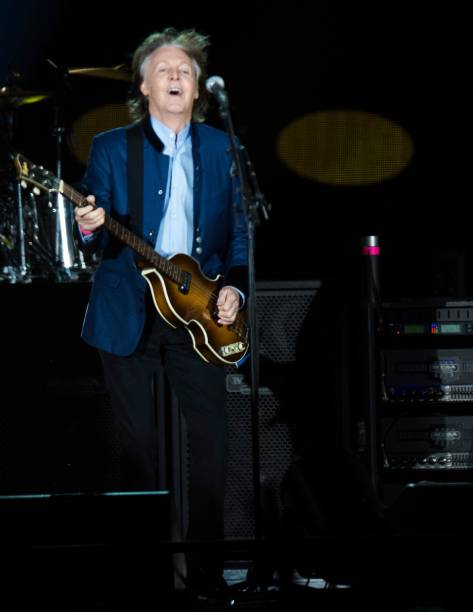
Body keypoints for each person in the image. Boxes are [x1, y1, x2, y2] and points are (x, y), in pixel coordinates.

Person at [74, 28, 247, 596]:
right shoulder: (110, 147)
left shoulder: (224, 149)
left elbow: (241, 235)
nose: (175, 77)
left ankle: (206, 573)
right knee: (138, 450)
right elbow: (93, 236)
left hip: (199, 314)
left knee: (213, 445)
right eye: (164, 69)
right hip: (129, 310)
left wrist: (235, 290)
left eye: (186, 71)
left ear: (198, 89)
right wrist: (90, 228)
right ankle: (144, 578)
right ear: (144, 85)